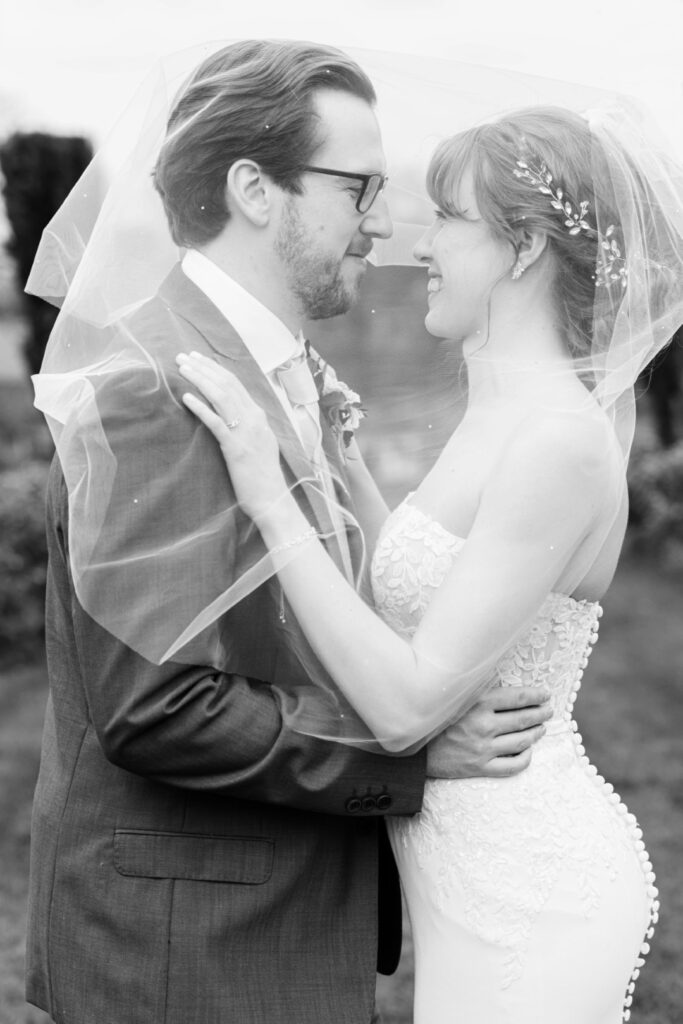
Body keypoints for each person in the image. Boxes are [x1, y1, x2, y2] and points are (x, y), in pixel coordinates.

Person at [25, 41, 552, 1024]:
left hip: (269, 929)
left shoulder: (281, 375)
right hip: (184, 960)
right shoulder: (160, 386)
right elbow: (157, 706)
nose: (384, 222)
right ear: (253, 190)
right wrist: (409, 756)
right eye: (359, 188)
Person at [177, 103, 683, 1022]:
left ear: (522, 248)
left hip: (527, 892)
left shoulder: (557, 438)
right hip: (469, 883)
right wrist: (343, 465)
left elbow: (409, 703)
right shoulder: (505, 414)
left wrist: (265, 494)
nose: (418, 244)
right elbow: (415, 589)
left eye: (448, 218)